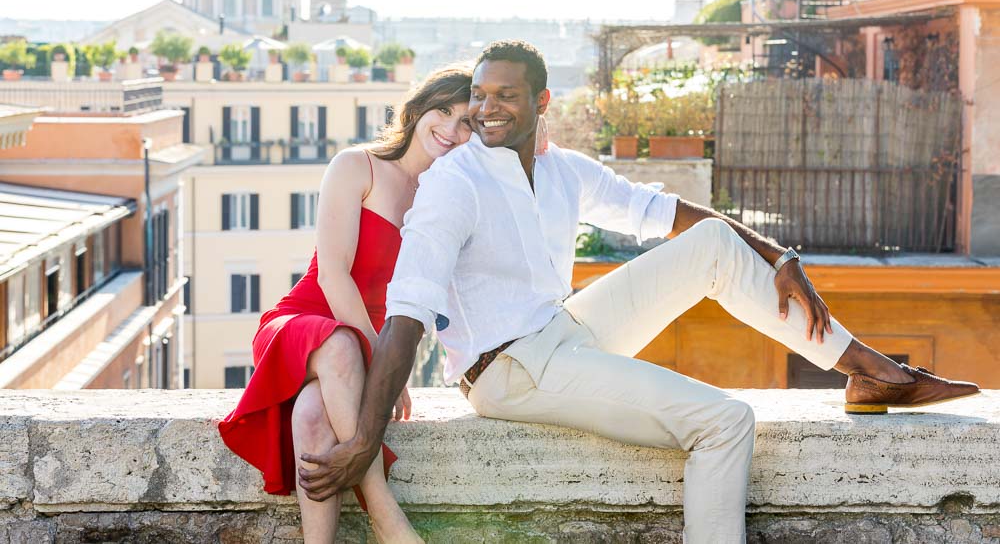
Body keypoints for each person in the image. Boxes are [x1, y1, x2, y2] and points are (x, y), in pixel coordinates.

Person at [295, 41, 981, 543]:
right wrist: (365, 438)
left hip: (560, 333)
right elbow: (410, 310)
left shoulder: (560, 169)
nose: (485, 108)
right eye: (478, 94)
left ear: (541, 102)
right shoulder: (457, 182)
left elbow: (664, 212)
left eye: (504, 95)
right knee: (724, 421)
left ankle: (869, 369)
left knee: (715, 246)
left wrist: (776, 252)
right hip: (507, 370)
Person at [218, 64, 474, 544]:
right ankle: (383, 512)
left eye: (466, 122)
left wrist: (387, 363)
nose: (451, 129)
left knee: (313, 420)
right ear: (417, 109)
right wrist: (383, 361)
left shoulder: (446, 197)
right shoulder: (357, 165)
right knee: (337, 345)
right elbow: (334, 276)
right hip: (305, 323)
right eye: (443, 110)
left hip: (362, 348)